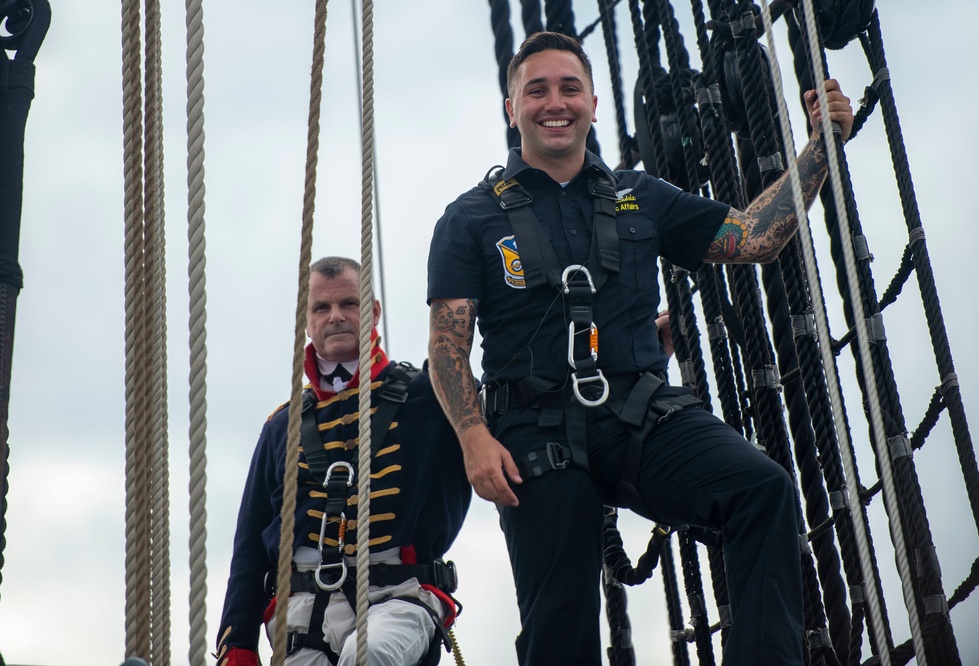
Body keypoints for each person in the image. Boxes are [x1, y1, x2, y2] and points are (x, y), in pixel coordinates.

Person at [426, 31, 853, 666]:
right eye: (536, 89)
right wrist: (471, 436)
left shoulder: (643, 196)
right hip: (532, 433)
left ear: (594, 103)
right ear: (511, 108)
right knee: (560, 623)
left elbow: (756, 237)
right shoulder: (469, 218)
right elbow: (447, 343)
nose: (555, 102)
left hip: (639, 416)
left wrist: (822, 148)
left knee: (763, 490)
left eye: (570, 88)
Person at [215, 257, 471, 666]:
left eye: (348, 304)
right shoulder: (282, 427)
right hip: (304, 610)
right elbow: (249, 546)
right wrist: (238, 641)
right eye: (321, 308)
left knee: (367, 655)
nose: (335, 317)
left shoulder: (431, 397)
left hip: (398, 596)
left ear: (372, 312)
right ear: (307, 320)